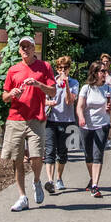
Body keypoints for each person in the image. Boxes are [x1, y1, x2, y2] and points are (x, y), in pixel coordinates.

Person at [1, 35, 56, 211]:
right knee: (16, 159)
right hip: (15, 119)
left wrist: (39, 85)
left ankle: (37, 181)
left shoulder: (44, 67)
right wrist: (12, 94)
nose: (25, 49)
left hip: (36, 118)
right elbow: (4, 97)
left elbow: (53, 92)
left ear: (34, 49)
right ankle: (22, 196)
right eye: (22, 47)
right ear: (19, 50)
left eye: (29, 46)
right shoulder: (13, 70)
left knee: (36, 156)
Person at [77, 60, 111, 197]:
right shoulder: (86, 88)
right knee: (88, 155)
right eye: (102, 71)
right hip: (86, 125)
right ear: (95, 73)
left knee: (98, 154)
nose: (105, 74)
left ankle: (95, 186)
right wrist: (81, 117)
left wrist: (109, 108)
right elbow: (80, 106)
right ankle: (92, 178)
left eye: (106, 71)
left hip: (102, 125)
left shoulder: (108, 89)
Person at [44, 54, 79, 194]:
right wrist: (49, 102)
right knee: (50, 152)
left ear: (69, 69)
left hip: (67, 121)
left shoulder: (74, 83)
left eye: (65, 68)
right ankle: (50, 181)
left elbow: (69, 101)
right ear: (56, 69)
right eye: (60, 68)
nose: (62, 70)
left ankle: (59, 178)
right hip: (51, 120)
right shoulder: (51, 82)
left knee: (63, 153)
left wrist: (66, 85)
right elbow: (43, 100)